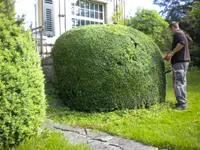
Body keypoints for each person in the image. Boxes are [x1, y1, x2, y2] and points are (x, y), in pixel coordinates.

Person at [164, 21, 190, 110]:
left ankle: (182, 104)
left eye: (170, 30)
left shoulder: (177, 34)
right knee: (182, 82)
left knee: (178, 82)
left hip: (179, 62)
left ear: (172, 28)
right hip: (183, 61)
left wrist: (171, 53)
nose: (171, 31)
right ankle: (182, 102)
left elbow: (181, 44)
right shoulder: (182, 33)